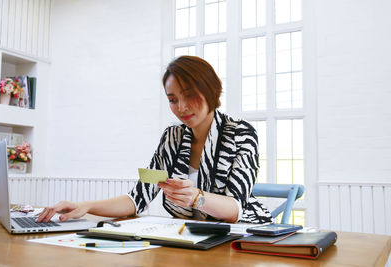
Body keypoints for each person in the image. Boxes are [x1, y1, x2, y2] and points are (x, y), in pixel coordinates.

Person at [37, 56, 273, 224]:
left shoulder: (242, 134)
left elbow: (234, 208)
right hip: (192, 238)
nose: (181, 107)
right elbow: (138, 196)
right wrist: (86, 206)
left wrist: (197, 198)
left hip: (241, 236)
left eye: (189, 94)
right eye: (172, 99)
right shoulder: (171, 138)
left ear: (211, 89)